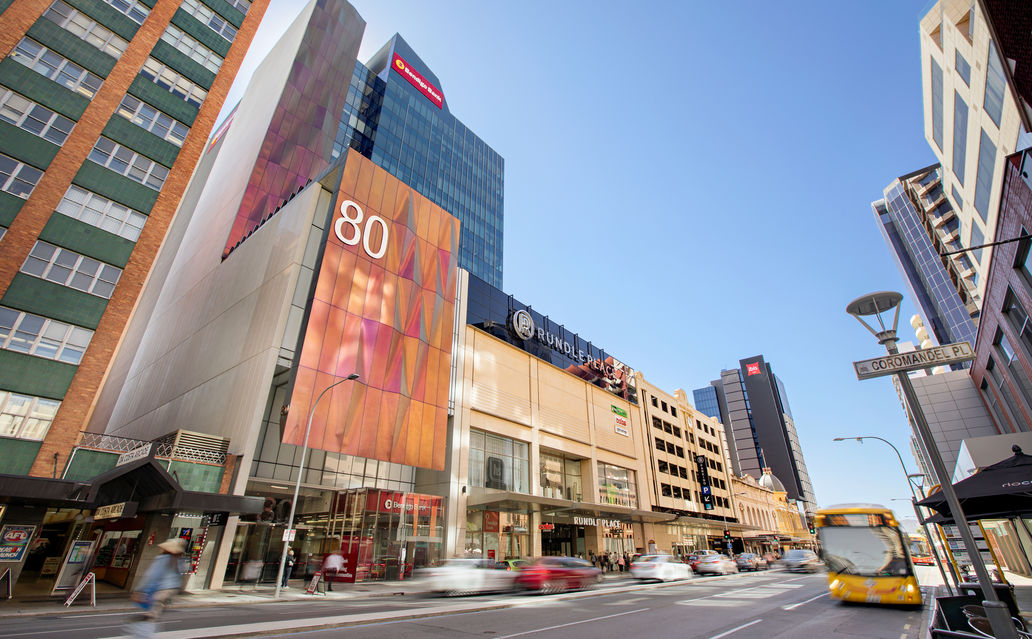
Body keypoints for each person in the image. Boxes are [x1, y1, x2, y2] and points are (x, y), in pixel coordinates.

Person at [128, 538, 187, 639]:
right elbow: (178, 579)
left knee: (149, 616)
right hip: (168, 592)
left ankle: (142, 635)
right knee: (153, 615)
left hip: (157, 591)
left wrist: (141, 590)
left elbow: (152, 576)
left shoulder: (162, 559)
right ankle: (146, 632)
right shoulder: (179, 561)